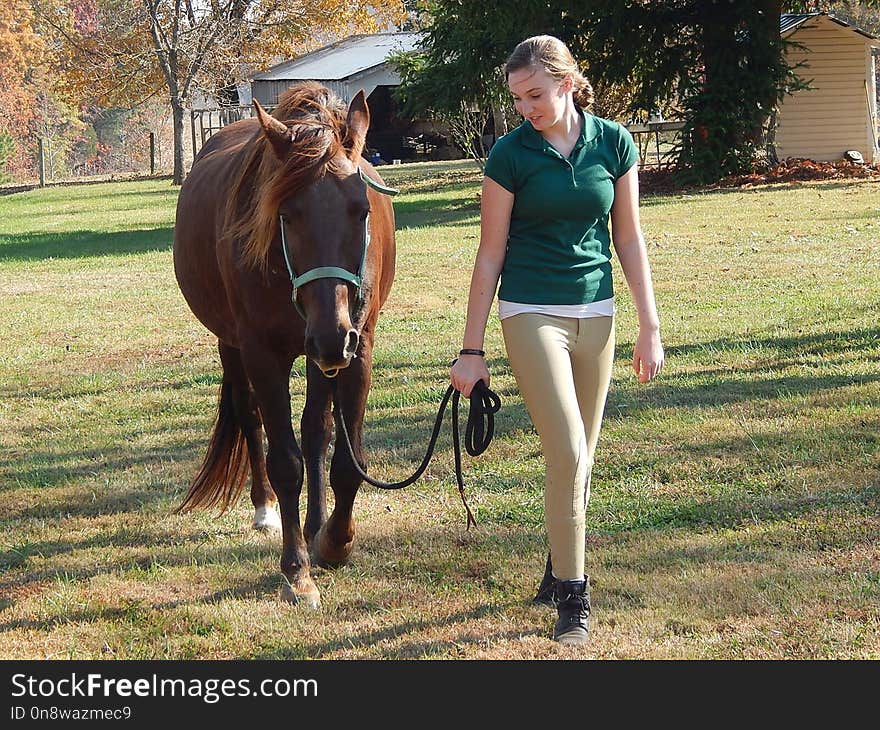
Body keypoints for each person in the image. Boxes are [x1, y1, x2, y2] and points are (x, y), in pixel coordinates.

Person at [450, 35, 665, 645]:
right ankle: (574, 600)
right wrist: (472, 349)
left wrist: (650, 323)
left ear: (567, 82)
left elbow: (628, 238)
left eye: (536, 95)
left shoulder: (614, 142)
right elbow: (490, 252)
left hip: (597, 312)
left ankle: (554, 565)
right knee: (568, 450)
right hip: (529, 310)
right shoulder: (509, 155)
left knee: (580, 458)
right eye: (518, 98)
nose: (526, 109)